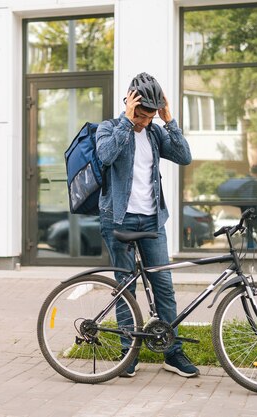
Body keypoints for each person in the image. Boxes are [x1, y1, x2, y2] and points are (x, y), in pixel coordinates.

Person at [96, 72, 197, 378]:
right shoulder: (110, 128)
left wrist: (169, 120)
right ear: (129, 102)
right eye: (140, 115)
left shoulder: (154, 132)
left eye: (149, 116)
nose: (143, 121)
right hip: (119, 218)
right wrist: (128, 122)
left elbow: (184, 157)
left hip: (153, 220)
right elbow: (105, 156)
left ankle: (172, 352)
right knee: (126, 287)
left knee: (163, 288)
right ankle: (128, 355)